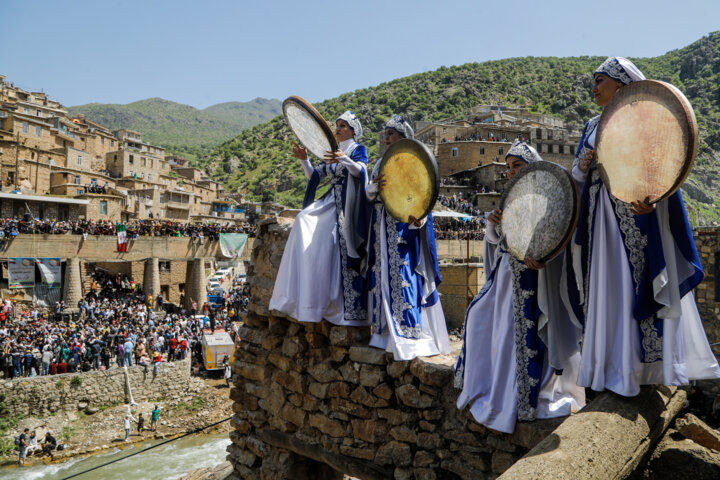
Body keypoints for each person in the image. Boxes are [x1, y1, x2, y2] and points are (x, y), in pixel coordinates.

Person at [570, 57, 720, 397]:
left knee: (628, 283)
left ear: (621, 85)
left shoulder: (646, 118)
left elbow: (660, 165)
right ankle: (606, 366)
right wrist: (580, 166)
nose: (594, 88)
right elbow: (575, 178)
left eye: (600, 80)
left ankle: (635, 368)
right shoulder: (591, 125)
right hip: (598, 219)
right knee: (603, 286)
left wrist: (653, 201)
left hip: (634, 216)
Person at [454, 140, 585, 433]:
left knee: (525, 335)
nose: (511, 172)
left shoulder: (552, 200)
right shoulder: (510, 199)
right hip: (503, 282)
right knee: (478, 319)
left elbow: (558, 242)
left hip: (533, 282)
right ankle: (491, 384)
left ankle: (525, 395)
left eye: (517, 166)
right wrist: (492, 225)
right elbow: (500, 243)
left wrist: (545, 260)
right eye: (509, 167)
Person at [270, 111, 369, 326]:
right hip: (331, 201)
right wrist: (305, 160)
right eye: (337, 125)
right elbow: (316, 176)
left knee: (323, 232)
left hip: (347, 204)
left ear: (353, 131)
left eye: (343, 126)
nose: (338, 129)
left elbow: (360, 171)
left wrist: (344, 158)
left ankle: (339, 304)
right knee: (303, 218)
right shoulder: (333, 151)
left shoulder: (357, 149)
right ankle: (309, 298)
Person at [364, 115, 450, 360]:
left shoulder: (414, 163)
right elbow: (368, 198)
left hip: (403, 229)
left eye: (392, 134)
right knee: (382, 276)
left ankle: (409, 336)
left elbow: (422, 198)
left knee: (403, 274)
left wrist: (419, 219)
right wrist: (373, 188)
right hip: (381, 227)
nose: (387, 138)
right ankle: (384, 336)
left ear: (403, 138)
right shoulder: (379, 164)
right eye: (386, 133)